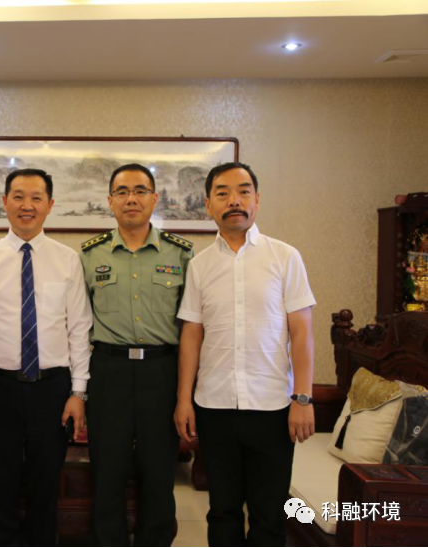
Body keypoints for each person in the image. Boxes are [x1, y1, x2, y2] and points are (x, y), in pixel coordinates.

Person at [174, 162, 316, 546]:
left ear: (257, 199)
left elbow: (302, 333)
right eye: (222, 193)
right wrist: (184, 399)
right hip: (214, 406)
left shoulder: (285, 257)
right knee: (222, 511)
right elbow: (192, 335)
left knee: (269, 515)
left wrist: (303, 398)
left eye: (243, 191)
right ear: (208, 205)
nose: (233, 200)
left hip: (273, 407)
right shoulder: (200, 266)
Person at [0, 169, 92, 546]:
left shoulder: (67, 260)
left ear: (50, 205)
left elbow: (79, 329)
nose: (27, 205)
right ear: (4, 202)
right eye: (18, 196)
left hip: (52, 388)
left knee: (45, 481)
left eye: (37, 198)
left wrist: (78, 393)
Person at [80, 163, 193, 546]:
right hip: (107, 370)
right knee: (107, 471)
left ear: (154, 198)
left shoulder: (181, 254)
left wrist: (186, 393)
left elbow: (193, 328)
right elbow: (77, 324)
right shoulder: (89, 255)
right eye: (123, 191)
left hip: (162, 372)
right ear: (110, 201)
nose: (132, 199)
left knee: (159, 472)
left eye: (140, 190)